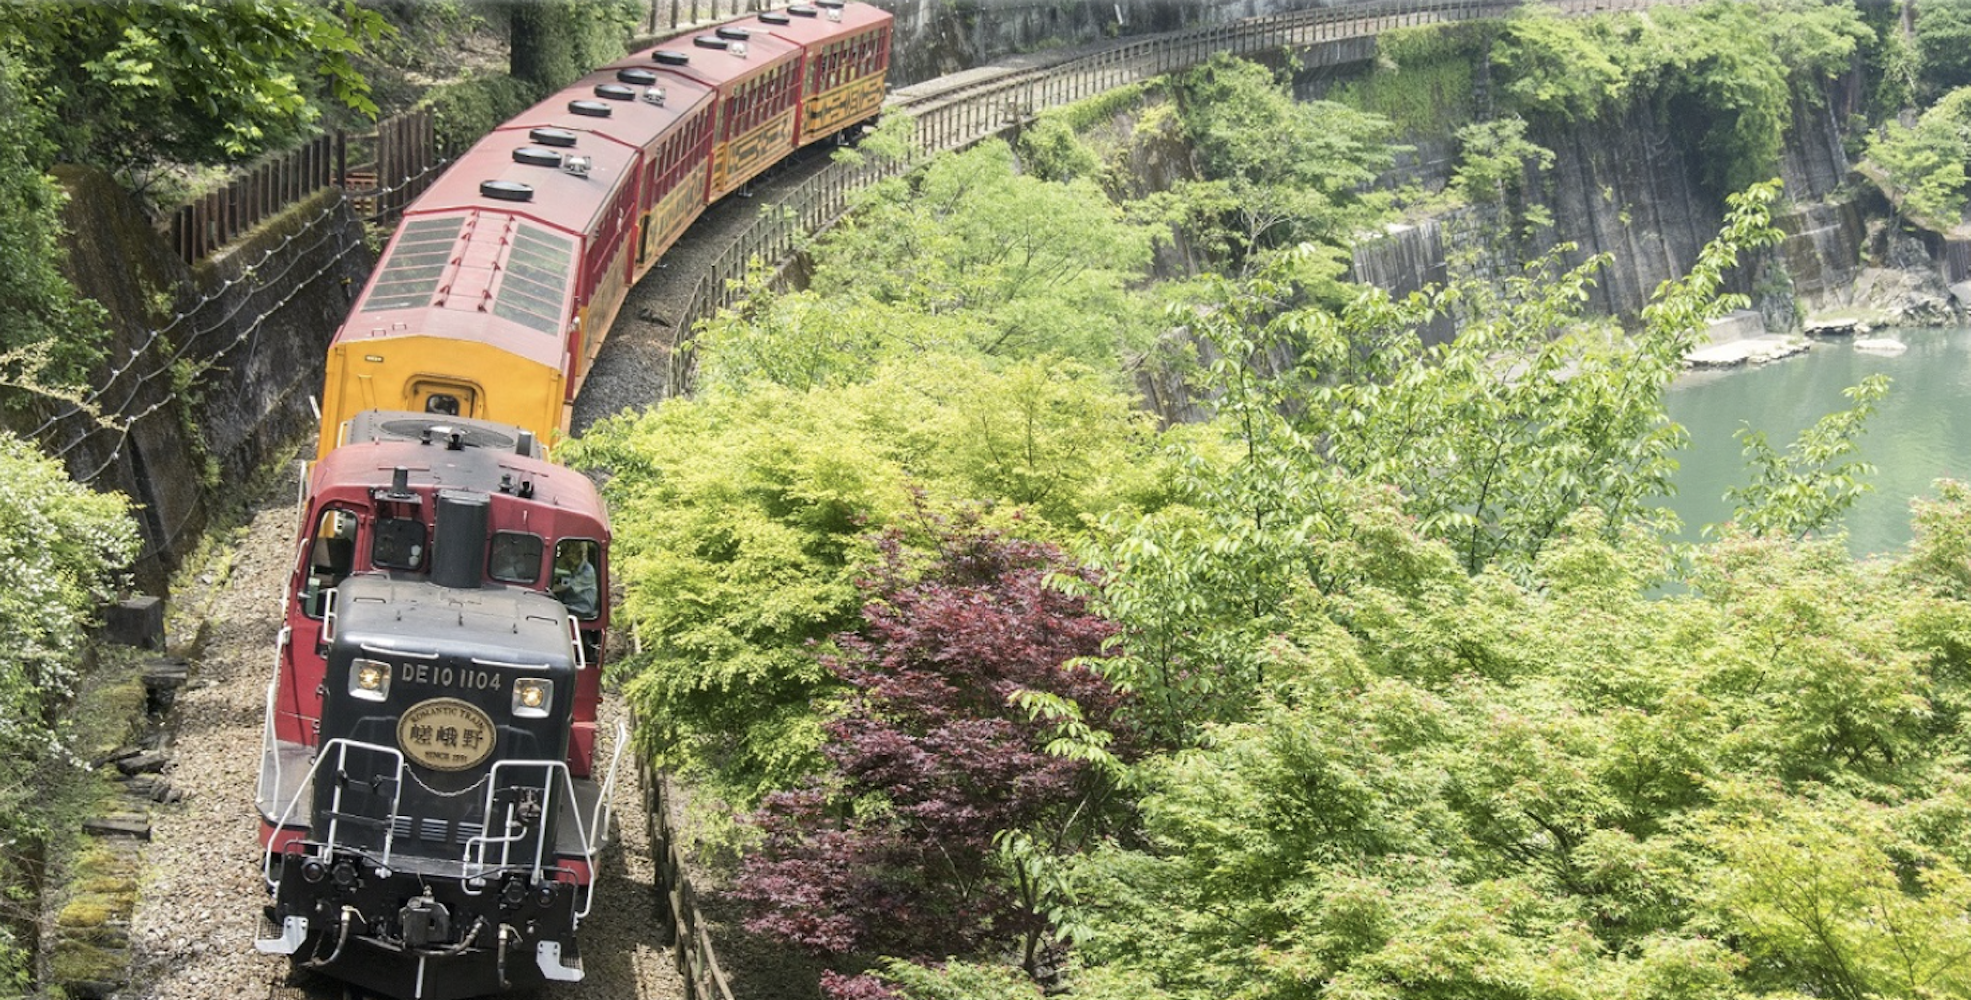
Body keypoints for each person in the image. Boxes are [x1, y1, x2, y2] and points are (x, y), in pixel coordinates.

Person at [551, 544, 598, 619]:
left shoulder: (587, 571)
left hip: (581, 609)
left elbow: (566, 586)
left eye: (570, 553)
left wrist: (550, 590)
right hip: (570, 606)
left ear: (579, 554)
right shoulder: (574, 567)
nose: (567, 556)